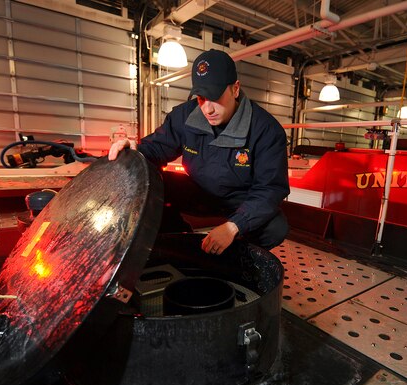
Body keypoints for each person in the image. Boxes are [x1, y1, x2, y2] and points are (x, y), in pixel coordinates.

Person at [109, 49, 289, 255]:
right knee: (154, 182)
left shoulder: (266, 130)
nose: (208, 109)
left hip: (239, 201)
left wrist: (233, 226)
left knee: (275, 227)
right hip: (199, 192)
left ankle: (237, 254)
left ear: (235, 89)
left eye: (215, 97)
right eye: (202, 98)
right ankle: (176, 238)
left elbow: (270, 189)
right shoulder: (185, 115)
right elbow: (157, 148)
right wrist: (133, 151)